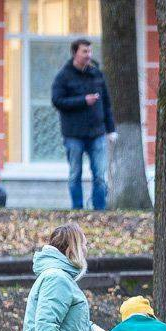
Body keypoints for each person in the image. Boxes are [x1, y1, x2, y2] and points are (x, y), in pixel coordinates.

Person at [51, 39, 115, 211]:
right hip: (73, 134)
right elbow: (57, 101)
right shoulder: (63, 76)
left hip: (97, 133)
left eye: (90, 51)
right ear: (75, 53)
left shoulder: (96, 74)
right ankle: (77, 209)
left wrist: (111, 130)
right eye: (84, 52)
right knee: (75, 174)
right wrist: (83, 100)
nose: (88, 55)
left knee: (100, 176)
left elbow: (106, 103)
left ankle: (99, 210)